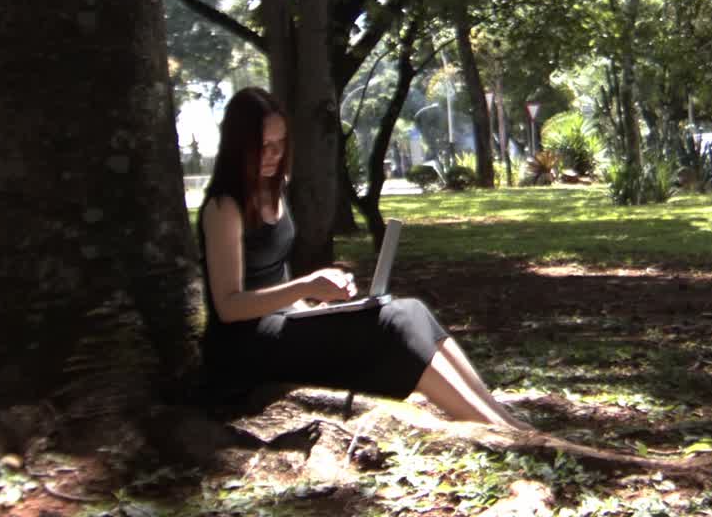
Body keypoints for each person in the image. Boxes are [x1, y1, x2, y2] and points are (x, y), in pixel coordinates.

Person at [197, 87, 529, 430]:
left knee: (412, 310)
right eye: (263, 145)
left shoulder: (275, 187)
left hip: (280, 325)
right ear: (239, 145)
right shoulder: (224, 207)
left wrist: (314, 310)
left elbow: (272, 275)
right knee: (392, 326)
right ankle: (497, 431)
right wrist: (306, 287)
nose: (273, 154)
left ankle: (505, 421)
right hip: (244, 349)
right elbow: (228, 307)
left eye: (280, 143)